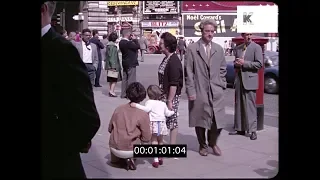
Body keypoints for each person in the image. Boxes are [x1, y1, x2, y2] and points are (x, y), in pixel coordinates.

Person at [41, 1, 101, 178]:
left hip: (53, 162)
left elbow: (87, 116)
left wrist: (60, 147)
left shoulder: (62, 50)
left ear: (43, 9)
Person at [185, 19, 227, 157]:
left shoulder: (218, 49)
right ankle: (202, 145)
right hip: (199, 89)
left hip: (216, 90)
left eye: (212, 31)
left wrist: (221, 83)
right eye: (207, 31)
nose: (210, 34)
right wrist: (191, 91)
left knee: (217, 121)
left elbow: (223, 69)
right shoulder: (192, 49)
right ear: (201, 31)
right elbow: (188, 72)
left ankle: (213, 143)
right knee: (200, 119)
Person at [108, 82, 151, 170]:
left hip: (114, 146)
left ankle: (116, 159)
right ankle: (131, 157)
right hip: (132, 148)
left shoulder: (118, 109)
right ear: (142, 97)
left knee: (115, 140)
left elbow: (110, 129)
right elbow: (146, 137)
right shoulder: (143, 114)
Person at [229, 33, 263, 140]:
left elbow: (259, 64)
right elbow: (235, 62)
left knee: (250, 106)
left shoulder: (256, 47)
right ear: (242, 35)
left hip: (250, 80)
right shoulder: (238, 48)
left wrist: (244, 63)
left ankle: (253, 130)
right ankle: (240, 128)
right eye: (246, 35)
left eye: (250, 34)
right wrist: (236, 63)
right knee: (239, 104)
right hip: (239, 80)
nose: (248, 37)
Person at [130, 85, 174, 168]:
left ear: (149, 95)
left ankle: (156, 160)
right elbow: (167, 113)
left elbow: (146, 109)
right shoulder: (162, 103)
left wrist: (136, 105)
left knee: (154, 141)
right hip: (161, 123)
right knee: (160, 140)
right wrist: (174, 112)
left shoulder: (149, 102)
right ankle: (161, 156)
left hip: (154, 123)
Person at [158, 32, 183, 148]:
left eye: (161, 43)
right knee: (162, 119)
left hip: (170, 96)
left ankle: (172, 146)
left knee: (172, 120)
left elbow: (174, 83)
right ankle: (160, 143)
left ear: (167, 46)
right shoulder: (167, 58)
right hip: (164, 94)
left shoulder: (174, 61)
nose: (159, 44)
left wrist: (169, 100)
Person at [119, 29, 140, 98]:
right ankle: (130, 94)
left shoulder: (121, 42)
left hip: (125, 62)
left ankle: (123, 94)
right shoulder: (129, 43)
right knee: (131, 79)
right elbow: (137, 46)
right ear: (128, 35)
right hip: (131, 62)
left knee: (125, 79)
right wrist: (135, 39)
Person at [104, 32, 122, 97]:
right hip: (113, 65)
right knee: (114, 79)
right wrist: (113, 66)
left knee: (111, 78)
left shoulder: (108, 45)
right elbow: (112, 57)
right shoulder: (113, 46)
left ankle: (111, 90)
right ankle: (112, 91)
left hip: (109, 65)